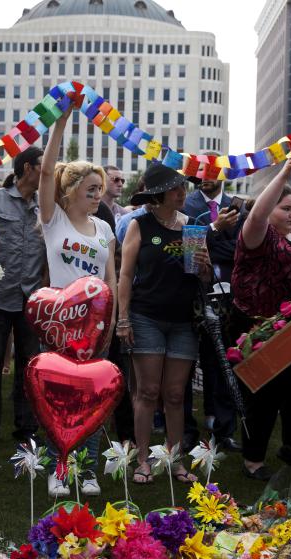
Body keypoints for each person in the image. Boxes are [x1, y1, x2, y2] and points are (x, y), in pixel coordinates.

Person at [38, 103, 116, 498]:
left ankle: (87, 469)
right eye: (91, 190)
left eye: (100, 190)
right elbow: (46, 171)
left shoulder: (104, 227)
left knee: (93, 396)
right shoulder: (55, 219)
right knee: (57, 397)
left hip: (96, 325)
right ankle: (58, 467)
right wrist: (61, 124)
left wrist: (115, 322)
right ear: (70, 192)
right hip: (57, 320)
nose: (97, 196)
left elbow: (110, 278)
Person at [117, 163, 212, 486]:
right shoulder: (140, 225)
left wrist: (204, 267)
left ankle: (174, 458)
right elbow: (125, 275)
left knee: (175, 393)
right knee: (148, 390)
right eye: (175, 189)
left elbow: (201, 278)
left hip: (183, 320)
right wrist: (123, 318)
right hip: (146, 316)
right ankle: (143, 460)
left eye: (183, 188)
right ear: (159, 194)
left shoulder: (192, 228)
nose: (182, 193)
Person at [230, 156, 291, 481]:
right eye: (286, 208)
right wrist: (284, 172)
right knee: (264, 395)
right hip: (255, 328)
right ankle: (253, 459)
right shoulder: (257, 235)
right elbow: (257, 213)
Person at [0, 147, 45, 446]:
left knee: (30, 368)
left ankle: (26, 428)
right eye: (44, 166)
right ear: (28, 168)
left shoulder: (45, 207)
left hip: (32, 301)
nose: (49, 172)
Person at [182, 176, 242, 452]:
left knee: (223, 361)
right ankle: (186, 428)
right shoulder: (187, 204)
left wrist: (212, 244)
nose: (203, 178)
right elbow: (189, 248)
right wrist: (215, 231)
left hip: (230, 296)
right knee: (192, 362)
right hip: (192, 295)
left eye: (210, 172)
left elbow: (241, 248)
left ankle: (224, 427)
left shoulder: (236, 205)